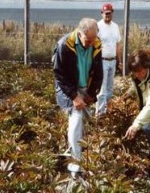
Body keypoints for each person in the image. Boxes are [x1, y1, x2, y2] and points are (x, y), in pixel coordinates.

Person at [53, 18, 103, 179]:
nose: (91, 43)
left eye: (94, 39)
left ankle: (73, 150)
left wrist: (92, 93)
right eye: (88, 40)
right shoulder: (64, 45)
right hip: (68, 89)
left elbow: (98, 71)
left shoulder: (95, 43)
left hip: (85, 87)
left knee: (83, 121)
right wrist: (74, 96)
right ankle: (75, 165)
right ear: (79, 33)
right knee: (76, 120)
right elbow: (59, 75)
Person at [95, 3, 122, 117]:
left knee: (110, 87)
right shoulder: (97, 26)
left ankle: (108, 110)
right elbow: (93, 45)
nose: (107, 15)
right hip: (102, 61)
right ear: (101, 13)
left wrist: (119, 61)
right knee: (102, 88)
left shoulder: (115, 26)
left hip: (113, 60)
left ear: (112, 13)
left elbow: (118, 45)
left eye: (109, 13)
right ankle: (100, 113)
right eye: (105, 13)